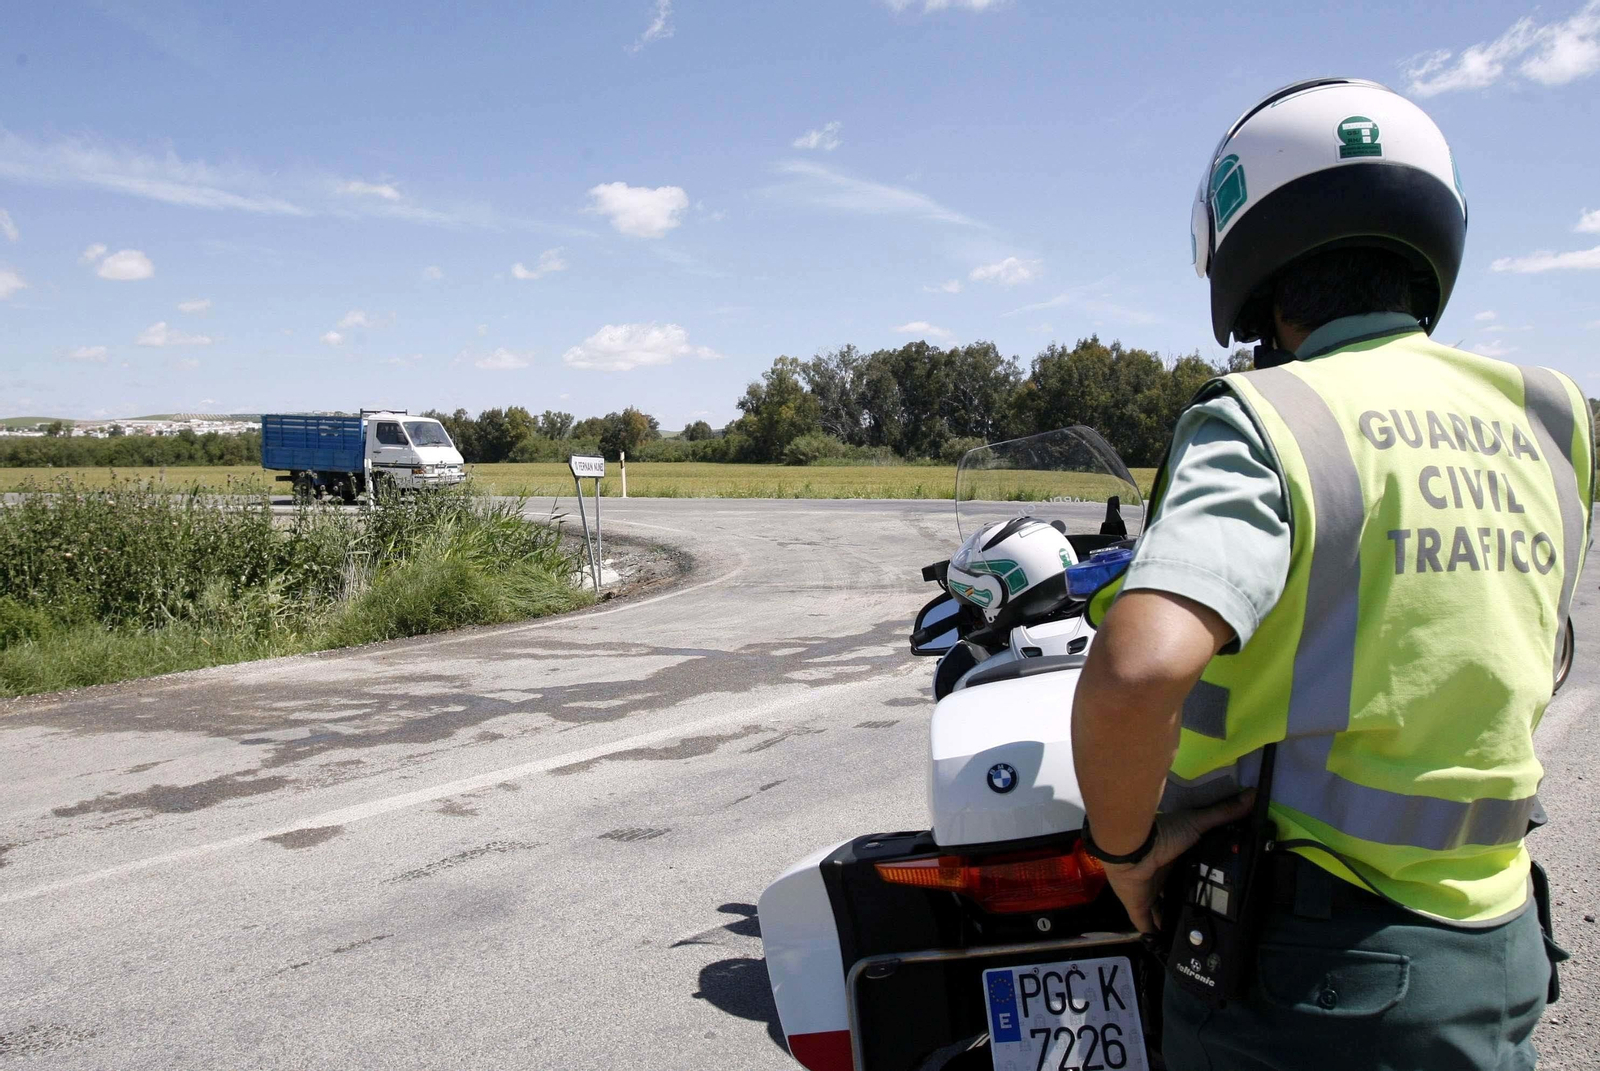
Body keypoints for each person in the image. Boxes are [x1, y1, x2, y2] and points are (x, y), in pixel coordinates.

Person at [1070, 78, 1592, 1070]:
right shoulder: (1549, 417)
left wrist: (1124, 852)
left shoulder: (1269, 416)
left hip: (1314, 972)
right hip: (1499, 944)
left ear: (1253, 263)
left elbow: (1137, 671)